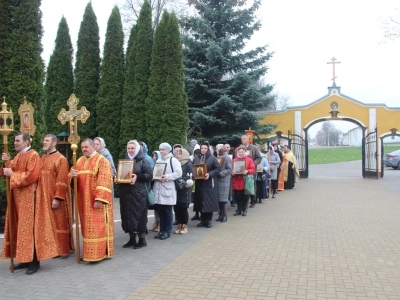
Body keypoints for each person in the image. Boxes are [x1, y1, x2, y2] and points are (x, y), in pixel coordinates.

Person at [1, 133, 42, 275]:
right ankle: (25, 259)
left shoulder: (33, 155)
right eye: (14, 141)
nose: (15, 143)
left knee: (30, 229)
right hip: (18, 198)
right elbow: (8, 170)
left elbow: (32, 175)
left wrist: (12, 174)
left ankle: (35, 262)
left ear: (26, 142)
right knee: (20, 229)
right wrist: (4, 163)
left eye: (18, 140)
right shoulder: (18, 156)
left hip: (29, 198)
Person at [69, 138, 114, 262]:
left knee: (98, 226)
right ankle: (88, 253)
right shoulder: (79, 161)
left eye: (86, 147)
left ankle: (99, 253)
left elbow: (105, 180)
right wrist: (72, 177)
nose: (83, 149)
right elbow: (73, 181)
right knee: (86, 227)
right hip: (83, 200)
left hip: (95, 201)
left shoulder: (102, 160)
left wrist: (99, 198)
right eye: (82, 147)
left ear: (93, 146)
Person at [36, 134, 74, 259]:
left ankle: (63, 249)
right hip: (43, 196)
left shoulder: (60, 159)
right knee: (50, 223)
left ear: (54, 143)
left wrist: (57, 197)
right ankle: (53, 248)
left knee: (60, 222)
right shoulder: (42, 158)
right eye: (44, 140)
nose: (44, 142)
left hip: (56, 197)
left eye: (47, 140)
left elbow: (62, 179)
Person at [117, 140, 153, 249]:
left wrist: (138, 177)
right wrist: (117, 178)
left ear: (137, 149)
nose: (130, 150)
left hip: (139, 194)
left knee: (140, 216)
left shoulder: (143, 161)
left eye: (132, 148)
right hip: (126, 193)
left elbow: (149, 175)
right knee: (127, 215)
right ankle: (132, 239)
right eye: (129, 148)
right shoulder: (125, 160)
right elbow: (121, 174)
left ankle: (142, 240)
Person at [153, 143, 182, 240]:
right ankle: (162, 230)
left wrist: (167, 177)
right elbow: (156, 172)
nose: (161, 151)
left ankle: (167, 231)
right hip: (159, 189)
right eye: (160, 149)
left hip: (168, 188)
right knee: (161, 211)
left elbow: (178, 173)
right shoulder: (159, 160)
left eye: (163, 149)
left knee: (168, 211)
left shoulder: (173, 160)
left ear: (168, 150)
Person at [192, 142, 221, 228]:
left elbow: (218, 169)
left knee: (209, 202)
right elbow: (193, 167)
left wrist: (209, 174)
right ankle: (203, 220)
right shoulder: (196, 158)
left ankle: (208, 220)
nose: (203, 150)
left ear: (207, 149)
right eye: (202, 148)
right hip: (199, 183)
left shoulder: (212, 158)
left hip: (209, 183)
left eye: (205, 148)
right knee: (200, 202)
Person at [232, 146, 255, 216]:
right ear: (237, 152)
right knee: (237, 196)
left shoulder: (249, 160)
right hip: (236, 181)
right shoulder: (234, 160)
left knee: (245, 196)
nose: (241, 153)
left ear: (244, 152)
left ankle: (244, 209)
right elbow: (231, 169)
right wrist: (232, 172)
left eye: (242, 152)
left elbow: (253, 169)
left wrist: (247, 171)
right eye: (239, 152)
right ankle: (239, 209)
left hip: (245, 181)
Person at [174, 148, 193, 234]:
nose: (178, 155)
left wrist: (182, 180)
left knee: (183, 208)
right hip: (176, 188)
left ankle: (184, 225)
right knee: (176, 208)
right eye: (177, 153)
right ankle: (179, 224)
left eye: (180, 153)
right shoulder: (175, 163)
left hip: (185, 189)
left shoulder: (188, 164)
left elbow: (192, 176)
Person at [241, 135, 261, 208]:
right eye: (241, 139)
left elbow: (259, 158)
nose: (242, 140)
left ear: (248, 139)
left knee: (252, 185)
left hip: (251, 170)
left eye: (244, 139)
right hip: (242, 171)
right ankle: (244, 202)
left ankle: (253, 201)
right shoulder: (240, 148)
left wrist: (253, 163)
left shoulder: (253, 148)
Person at [215, 144, 232, 222]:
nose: (219, 151)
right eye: (218, 150)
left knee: (224, 199)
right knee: (219, 199)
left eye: (220, 149)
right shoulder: (218, 158)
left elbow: (229, 169)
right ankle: (220, 215)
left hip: (224, 180)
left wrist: (221, 173)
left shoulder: (227, 158)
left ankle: (225, 215)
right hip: (218, 181)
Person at [149, 151, 161, 232]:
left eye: (156, 156)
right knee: (155, 208)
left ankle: (160, 224)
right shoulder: (152, 165)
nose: (154, 157)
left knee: (160, 208)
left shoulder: (160, 165)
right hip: (154, 187)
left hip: (160, 188)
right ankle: (155, 222)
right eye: (153, 156)